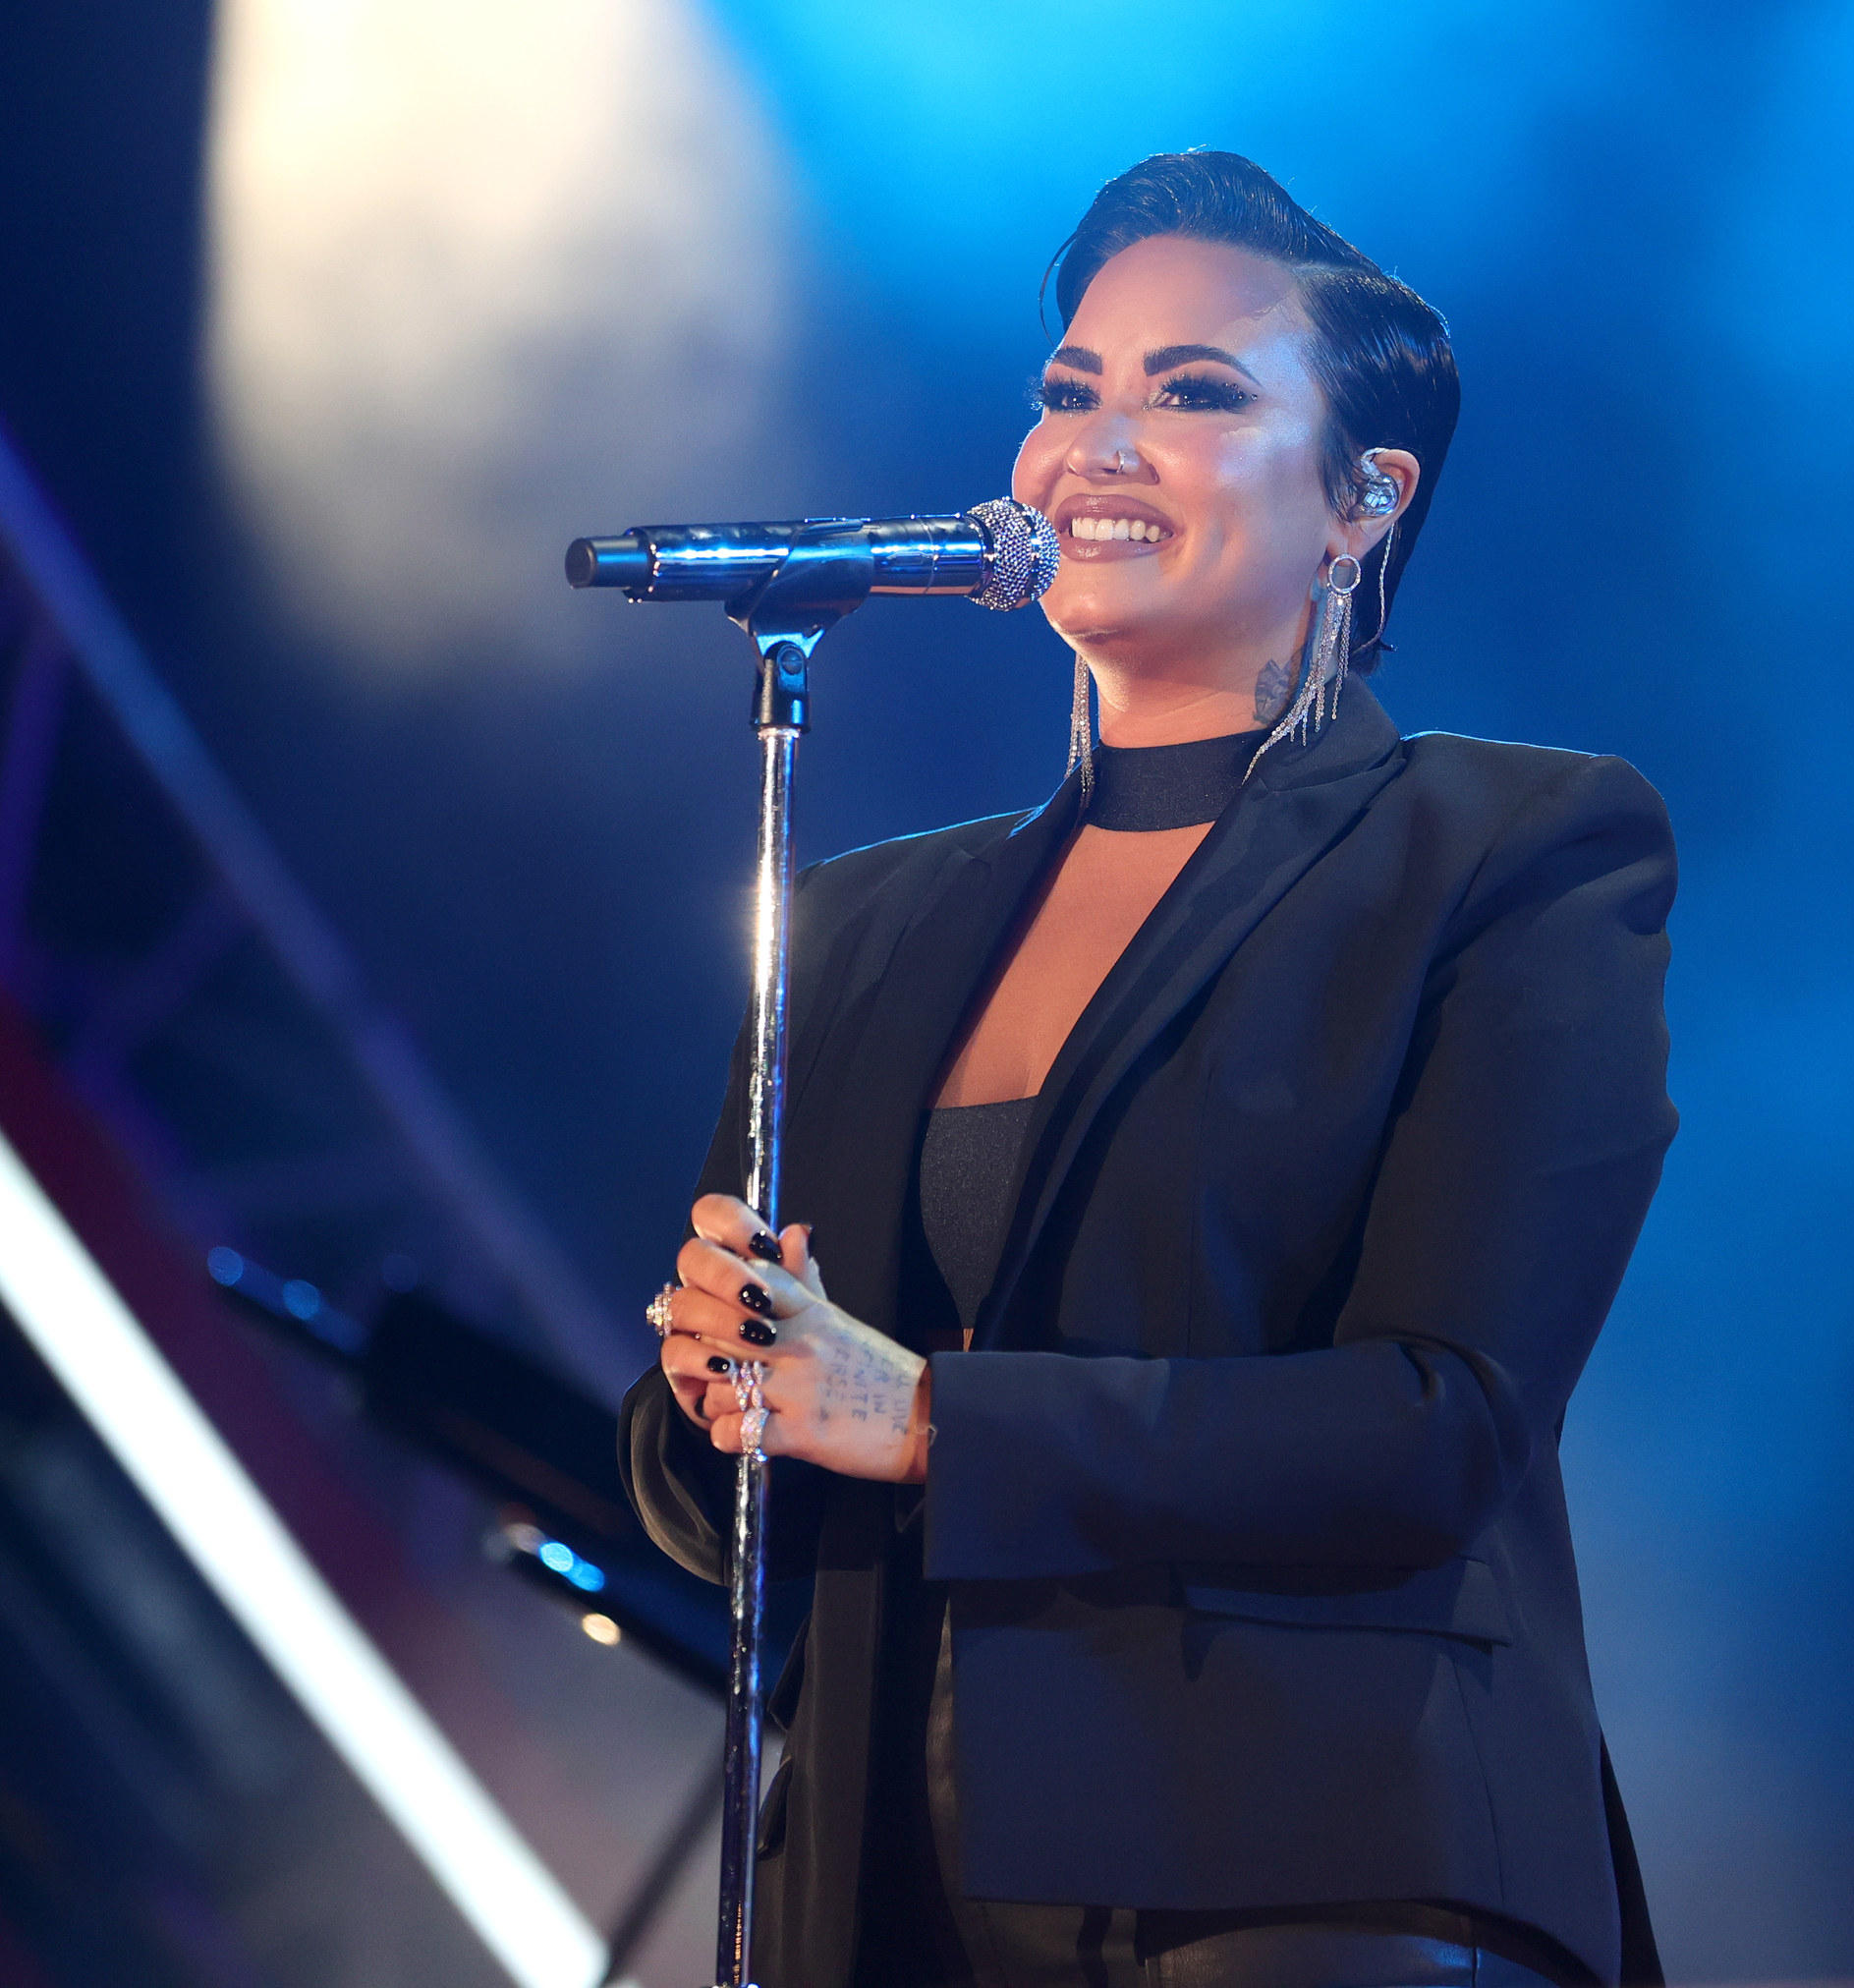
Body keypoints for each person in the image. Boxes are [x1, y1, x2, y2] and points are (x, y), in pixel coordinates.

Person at [620, 150, 1676, 1988]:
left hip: (1305, 1880)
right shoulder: (866, 925)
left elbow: (1438, 1426)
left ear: (1362, 500)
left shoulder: (1508, 851)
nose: (1096, 445)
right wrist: (715, 1400)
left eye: (1193, 394)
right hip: (880, 1904)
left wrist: (934, 1416)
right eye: (1068, 393)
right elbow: (740, 1493)